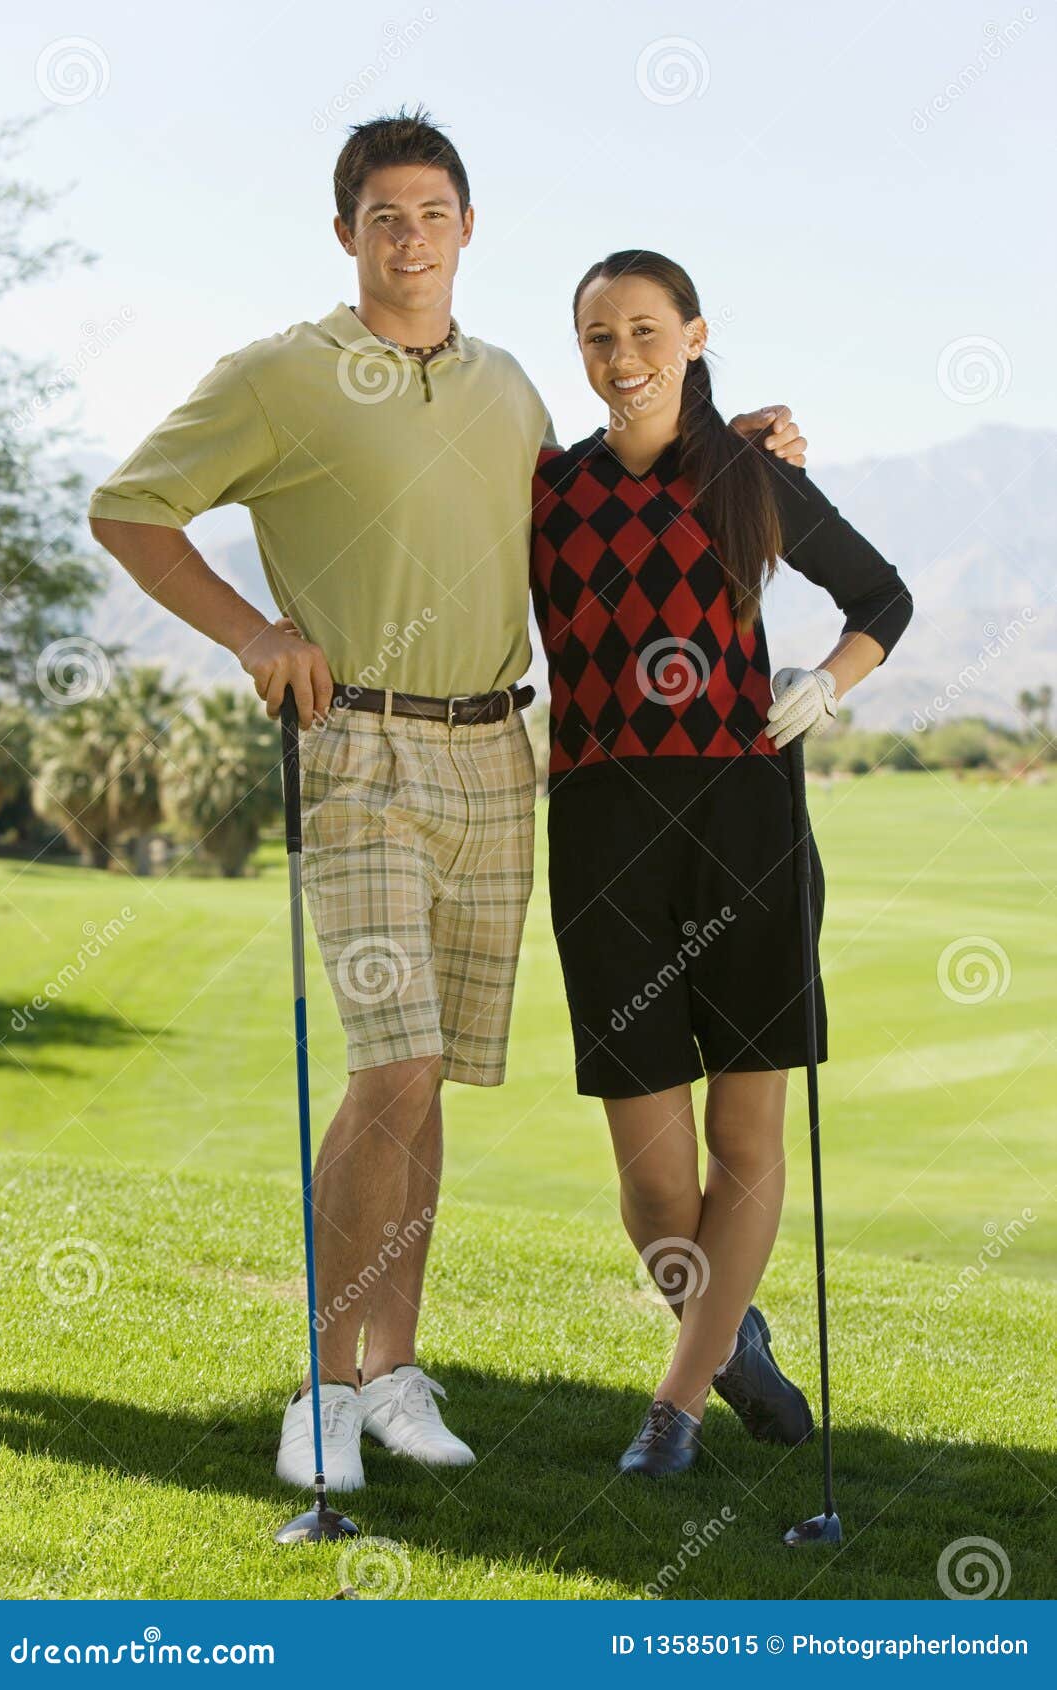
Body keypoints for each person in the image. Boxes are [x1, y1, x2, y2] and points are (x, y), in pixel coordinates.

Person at [87, 111, 806, 1497]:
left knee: (433, 1091)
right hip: (357, 746)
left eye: (431, 213)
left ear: (467, 230)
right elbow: (130, 508)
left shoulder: (510, 388)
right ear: (345, 232)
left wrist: (744, 435)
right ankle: (326, 1379)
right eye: (381, 216)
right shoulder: (280, 374)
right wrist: (252, 634)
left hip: (499, 756)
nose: (407, 236)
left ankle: (397, 1371)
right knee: (391, 1069)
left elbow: (617, 481)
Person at [531, 250, 913, 1477]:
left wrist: (826, 683)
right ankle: (725, 1333)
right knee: (651, 1182)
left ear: (693, 336)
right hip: (600, 831)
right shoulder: (543, 488)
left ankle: (676, 1410)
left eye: (645, 329)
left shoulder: (752, 475)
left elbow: (882, 595)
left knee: (744, 1137)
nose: (621, 354)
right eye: (597, 335)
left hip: (745, 820)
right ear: (579, 351)